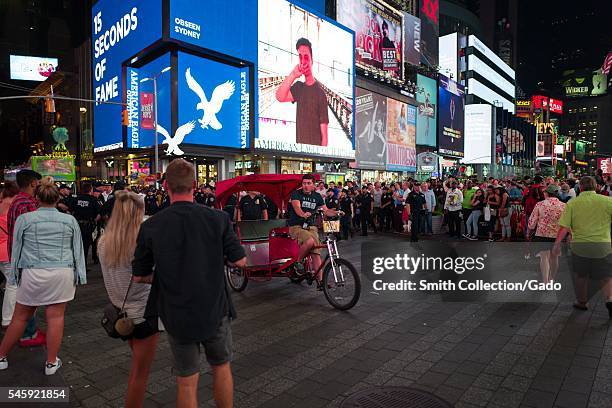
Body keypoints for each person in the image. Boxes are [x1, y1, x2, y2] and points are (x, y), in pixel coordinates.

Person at [132, 159, 247, 407]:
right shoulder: (218, 218)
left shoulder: (151, 226)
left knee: (186, 379)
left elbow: (139, 275)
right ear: (194, 185)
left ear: (166, 186)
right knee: (221, 366)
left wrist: (165, 274)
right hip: (215, 308)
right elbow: (241, 261)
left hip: (176, 312)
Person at [0, 177, 86, 375]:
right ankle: (50, 362)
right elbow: (78, 250)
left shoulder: (25, 219)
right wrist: (80, 275)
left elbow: (16, 248)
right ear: (57, 199)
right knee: (56, 317)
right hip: (62, 273)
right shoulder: (69, 220)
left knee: (20, 317)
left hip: (32, 272)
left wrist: (14, 276)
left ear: (37, 198)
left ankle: (2, 356)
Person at [99, 190, 160, 408]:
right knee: (139, 373)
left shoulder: (103, 242)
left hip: (119, 312)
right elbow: (146, 277)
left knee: (137, 366)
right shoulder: (140, 244)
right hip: (143, 314)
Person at [552, 176, 612, 315]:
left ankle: (582, 302)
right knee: (606, 275)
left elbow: (564, 227)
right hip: (603, 245)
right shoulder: (608, 201)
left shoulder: (573, 203)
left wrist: (556, 244)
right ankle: (609, 299)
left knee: (581, 275)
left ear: (581, 188)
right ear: (596, 187)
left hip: (580, 246)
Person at [6, 170, 45, 347]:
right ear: (32, 183)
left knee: (29, 296)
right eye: (37, 181)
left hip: (25, 256)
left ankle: (31, 331)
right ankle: (28, 334)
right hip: (28, 258)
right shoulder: (24, 203)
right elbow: (31, 233)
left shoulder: (21, 200)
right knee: (29, 297)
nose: (39, 184)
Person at [286, 174, 342, 286]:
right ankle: (298, 262)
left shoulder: (317, 196)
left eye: (308, 183)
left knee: (316, 253)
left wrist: (336, 212)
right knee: (310, 241)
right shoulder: (296, 194)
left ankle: (321, 282)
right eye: (304, 183)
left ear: (313, 185)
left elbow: (326, 211)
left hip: (311, 227)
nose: (305, 186)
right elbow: (297, 208)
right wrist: (303, 214)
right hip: (296, 226)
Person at [275, 38, 329, 146]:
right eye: (300, 57)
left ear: (311, 61)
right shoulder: (299, 88)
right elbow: (279, 97)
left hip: (315, 156)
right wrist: (293, 75)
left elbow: (325, 137)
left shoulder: (320, 94)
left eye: (306, 57)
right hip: (300, 154)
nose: (303, 61)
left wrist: (322, 160)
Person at [527, 184, 566, 283]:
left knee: (544, 258)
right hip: (557, 236)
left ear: (547, 193)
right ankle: (552, 279)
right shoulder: (564, 205)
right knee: (555, 258)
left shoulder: (540, 204)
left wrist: (529, 232)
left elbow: (532, 222)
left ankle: (545, 282)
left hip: (541, 235)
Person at [0, 181, 19, 329]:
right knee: (13, 284)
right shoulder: (13, 205)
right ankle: (7, 319)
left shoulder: (1, 203)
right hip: (7, 250)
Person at [70, 183, 101, 265]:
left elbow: (69, 209)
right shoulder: (93, 200)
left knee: (78, 244)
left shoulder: (76, 199)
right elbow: (99, 213)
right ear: (91, 190)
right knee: (87, 245)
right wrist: (94, 221)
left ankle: (79, 263)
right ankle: (84, 265)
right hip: (88, 225)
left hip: (77, 225)